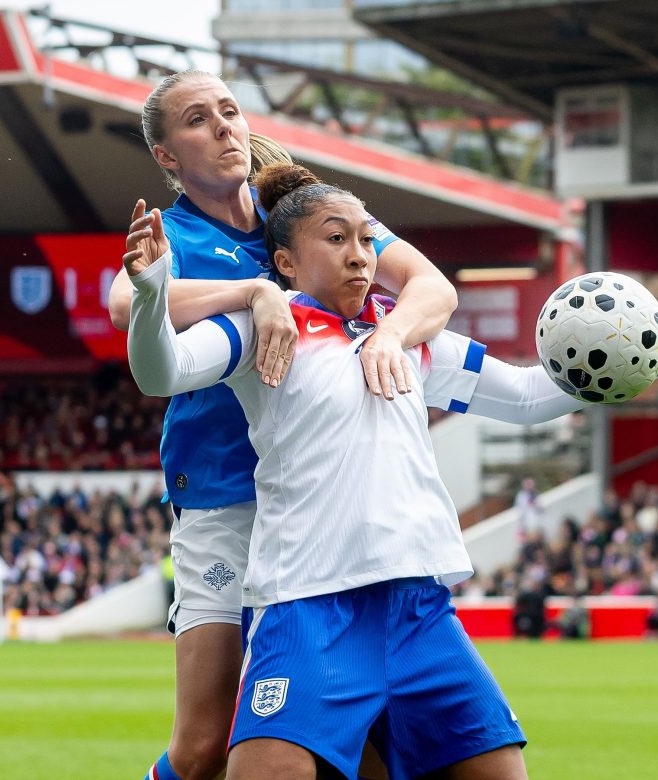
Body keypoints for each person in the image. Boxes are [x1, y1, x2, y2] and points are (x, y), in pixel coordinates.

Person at [125, 162, 658, 779]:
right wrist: (154, 290)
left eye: (367, 239)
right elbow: (161, 372)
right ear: (285, 262)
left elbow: (531, 397)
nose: (360, 255)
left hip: (419, 612)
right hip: (308, 610)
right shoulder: (265, 328)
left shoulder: (411, 338)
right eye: (336, 238)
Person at [104, 69, 458, 780]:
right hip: (226, 501)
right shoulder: (170, 237)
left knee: (375, 742)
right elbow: (126, 305)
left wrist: (391, 340)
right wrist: (254, 290)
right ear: (167, 156)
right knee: (203, 748)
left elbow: (432, 288)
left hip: (326, 505)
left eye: (229, 111)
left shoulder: (305, 215)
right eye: (198, 119)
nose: (224, 127)